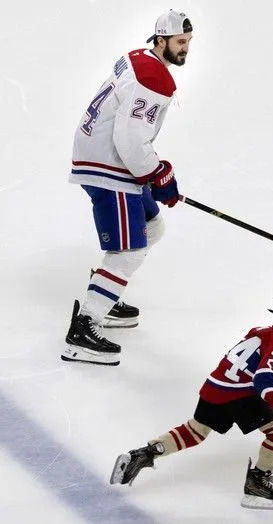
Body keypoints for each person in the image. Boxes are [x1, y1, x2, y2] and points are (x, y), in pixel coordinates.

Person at [109, 291, 273, 511]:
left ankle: (145, 453)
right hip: (239, 394)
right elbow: (264, 378)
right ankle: (257, 483)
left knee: (196, 431)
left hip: (214, 388)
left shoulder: (267, 333)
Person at [62, 10, 194, 366]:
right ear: (161, 40)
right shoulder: (154, 78)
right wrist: (157, 173)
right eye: (180, 42)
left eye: (189, 42)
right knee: (130, 252)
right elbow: (130, 139)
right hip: (110, 164)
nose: (185, 49)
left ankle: (104, 291)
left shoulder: (139, 59)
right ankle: (83, 328)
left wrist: (156, 174)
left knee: (153, 227)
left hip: (105, 154)